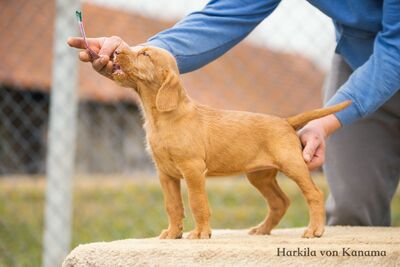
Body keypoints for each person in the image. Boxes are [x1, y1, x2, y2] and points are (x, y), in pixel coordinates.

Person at [68, 0, 400, 226]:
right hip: (360, 60)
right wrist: (145, 56)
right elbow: (225, 14)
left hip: (390, 53)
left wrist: (327, 120)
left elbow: (396, 49)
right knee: (353, 214)